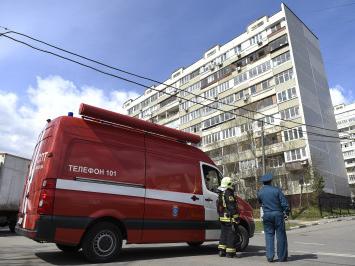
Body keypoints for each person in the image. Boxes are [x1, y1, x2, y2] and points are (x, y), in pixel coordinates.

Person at [257, 173, 289, 262]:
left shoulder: (260, 192)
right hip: (277, 214)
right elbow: (284, 204)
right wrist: (286, 212)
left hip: (267, 215)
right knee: (281, 235)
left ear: (263, 182)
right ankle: (282, 257)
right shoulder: (276, 190)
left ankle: (270, 257)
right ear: (271, 181)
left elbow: (260, 201)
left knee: (269, 235)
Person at [216, 176, 240, 258]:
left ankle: (222, 251)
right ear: (228, 184)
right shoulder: (228, 193)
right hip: (229, 217)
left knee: (224, 234)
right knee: (231, 234)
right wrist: (236, 217)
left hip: (222, 217)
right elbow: (231, 206)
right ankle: (230, 253)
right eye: (231, 184)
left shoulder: (220, 193)